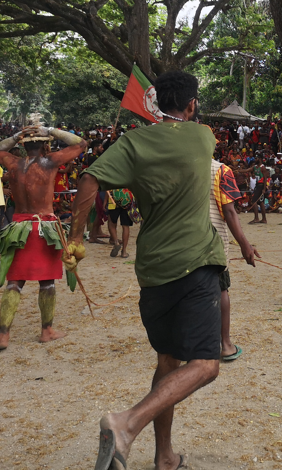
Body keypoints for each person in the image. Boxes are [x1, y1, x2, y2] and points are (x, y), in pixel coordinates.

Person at [67, 71, 255, 470]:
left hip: (153, 269)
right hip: (196, 263)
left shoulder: (132, 143)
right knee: (205, 365)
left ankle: (165, 456)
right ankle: (125, 425)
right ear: (191, 105)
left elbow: (87, 180)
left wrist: (76, 238)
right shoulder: (203, 136)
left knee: (168, 361)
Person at [0, 123, 88, 351]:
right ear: (44, 145)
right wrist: (50, 129)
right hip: (44, 227)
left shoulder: (13, 163)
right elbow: (81, 143)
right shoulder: (49, 161)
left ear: (23, 146)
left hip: (19, 227)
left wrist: (15, 136)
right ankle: (46, 331)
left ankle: (3, 336)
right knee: (47, 282)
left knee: (14, 282)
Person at [209, 159, 260, 361]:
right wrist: (244, 244)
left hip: (181, 239)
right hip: (212, 239)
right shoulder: (221, 170)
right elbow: (229, 211)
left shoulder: (177, 163)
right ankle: (226, 345)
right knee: (221, 288)